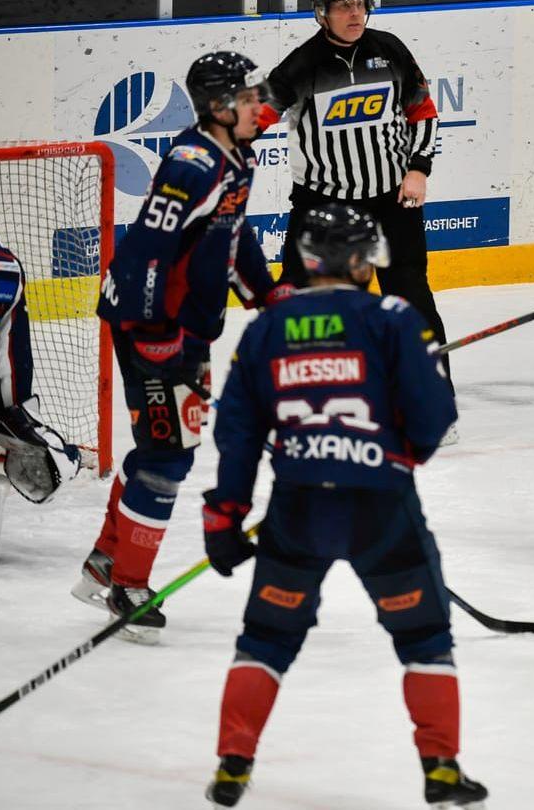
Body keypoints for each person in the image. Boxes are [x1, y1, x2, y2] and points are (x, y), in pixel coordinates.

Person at [201, 204, 477, 806]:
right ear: (358, 260)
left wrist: (223, 515)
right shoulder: (393, 317)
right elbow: (434, 420)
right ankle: (441, 769)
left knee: (266, 640)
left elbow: (239, 435)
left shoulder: (266, 329)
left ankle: (232, 763)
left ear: (304, 260)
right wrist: (398, 454)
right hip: (382, 510)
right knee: (425, 636)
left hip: (297, 512)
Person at [76, 51, 287, 642]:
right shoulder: (193, 164)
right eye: (247, 98)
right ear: (219, 106)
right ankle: (128, 588)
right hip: (153, 326)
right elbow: (147, 247)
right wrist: (155, 335)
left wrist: (264, 297)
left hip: (182, 329)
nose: (258, 105)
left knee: (163, 446)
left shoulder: (236, 157)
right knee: (170, 455)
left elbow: (232, 234)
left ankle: (106, 562)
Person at [259, 0, 453, 405]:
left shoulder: (390, 50)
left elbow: (422, 113)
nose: (354, 13)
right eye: (343, 5)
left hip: (391, 203)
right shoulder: (302, 65)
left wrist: (418, 167)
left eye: (360, 3)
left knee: (411, 300)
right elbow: (255, 117)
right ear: (320, 13)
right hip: (323, 210)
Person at [0, 230, 82, 564]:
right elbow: (8, 362)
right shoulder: (2, 265)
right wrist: (16, 413)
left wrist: (17, 417)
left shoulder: (1, 268)